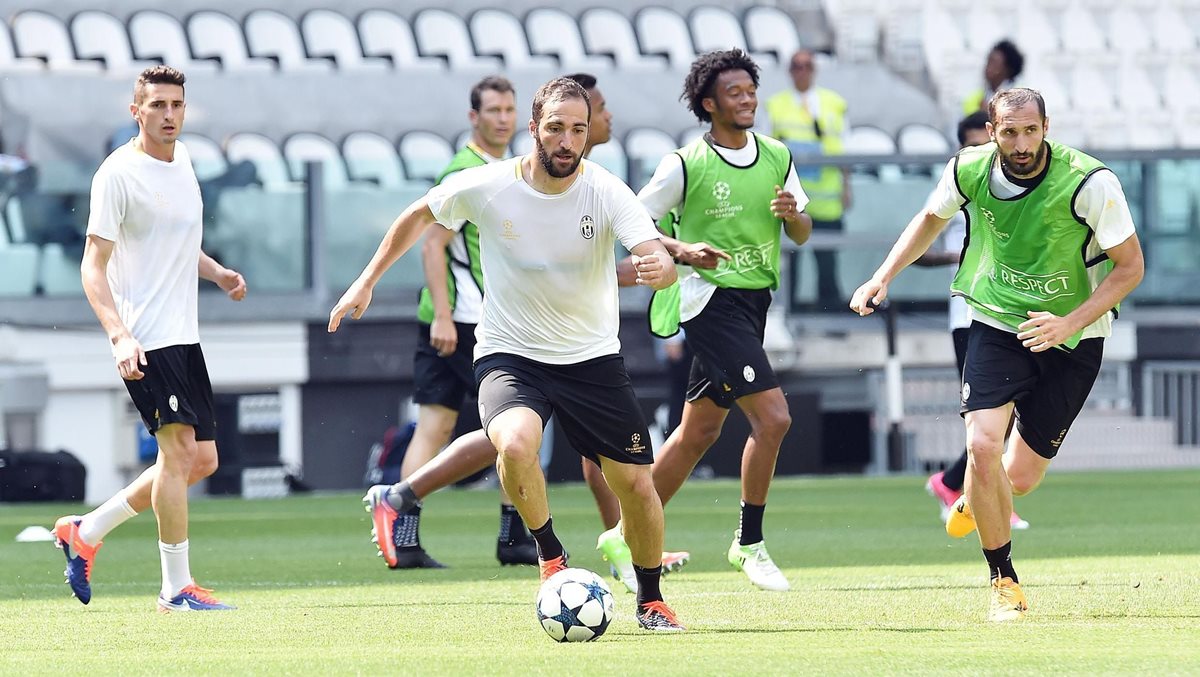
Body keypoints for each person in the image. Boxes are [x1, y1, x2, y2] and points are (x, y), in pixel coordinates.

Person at [333, 78, 686, 631]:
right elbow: (418, 216)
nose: (567, 140)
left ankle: (651, 599)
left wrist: (661, 269)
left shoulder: (607, 190)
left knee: (636, 485)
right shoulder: (490, 184)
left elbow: (653, 258)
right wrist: (365, 281)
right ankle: (551, 557)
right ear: (534, 130)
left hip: (592, 359)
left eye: (578, 129)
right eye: (556, 128)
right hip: (510, 353)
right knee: (516, 442)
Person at [850, 88, 1143, 621]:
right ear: (992, 132)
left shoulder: (1090, 182)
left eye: (1031, 130)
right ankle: (1003, 580)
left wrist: (1068, 323)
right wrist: (881, 276)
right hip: (996, 319)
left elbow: (1130, 267)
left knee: (1022, 478)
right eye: (1009, 131)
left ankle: (973, 498)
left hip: (1074, 334)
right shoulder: (968, 169)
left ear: (1046, 127)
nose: (1022, 141)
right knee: (982, 445)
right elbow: (929, 220)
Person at [606, 48, 812, 593]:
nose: (746, 100)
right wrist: (680, 249)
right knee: (774, 419)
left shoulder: (776, 155)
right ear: (708, 104)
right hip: (708, 301)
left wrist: (797, 217)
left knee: (698, 432)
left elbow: (802, 234)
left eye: (750, 91)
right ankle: (749, 543)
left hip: (754, 301)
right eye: (734, 93)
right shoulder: (683, 164)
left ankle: (623, 535)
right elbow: (632, 222)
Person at [54, 66, 247, 612]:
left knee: (199, 461)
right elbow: (94, 267)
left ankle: (87, 530)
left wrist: (218, 273)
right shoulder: (117, 175)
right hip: (145, 338)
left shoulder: (183, 162)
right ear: (136, 111)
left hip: (184, 336)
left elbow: (180, 246)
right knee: (179, 452)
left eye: (176, 105)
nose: (168, 115)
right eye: (157, 105)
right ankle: (175, 588)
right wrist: (118, 335)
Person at [377, 75, 538, 570]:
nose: (503, 118)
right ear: (474, 117)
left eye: (510, 110)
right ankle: (407, 534)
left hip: (488, 317)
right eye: (493, 110)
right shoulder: (464, 170)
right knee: (450, 427)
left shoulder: (510, 169)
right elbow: (432, 244)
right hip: (465, 321)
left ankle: (509, 538)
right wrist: (443, 316)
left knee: (477, 427)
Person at [918, 112, 1029, 531]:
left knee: (1010, 415)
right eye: (970, 144)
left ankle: (955, 485)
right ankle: (976, 496)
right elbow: (922, 248)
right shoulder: (958, 187)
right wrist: (958, 256)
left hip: (1009, 311)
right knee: (989, 418)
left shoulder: (1011, 189)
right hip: (968, 315)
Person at [766, 48, 849, 309]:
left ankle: (830, 313)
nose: (802, 72)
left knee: (827, 262)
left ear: (815, 70)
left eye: (807, 66)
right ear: (789, 71)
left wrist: (847, 186)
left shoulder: (834, 103)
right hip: (791, 199)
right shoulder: (775, 105)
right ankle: (789, 314)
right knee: (790, 262)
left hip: (826, 197)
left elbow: (845, 148)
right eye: (796, 66)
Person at [963, 40, 1023, 115]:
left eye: (994, 63)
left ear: (1007, 69)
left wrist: (990, 114)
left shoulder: (1021, 99)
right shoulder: (974, 98)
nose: (987, 67)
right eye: (988, 61)